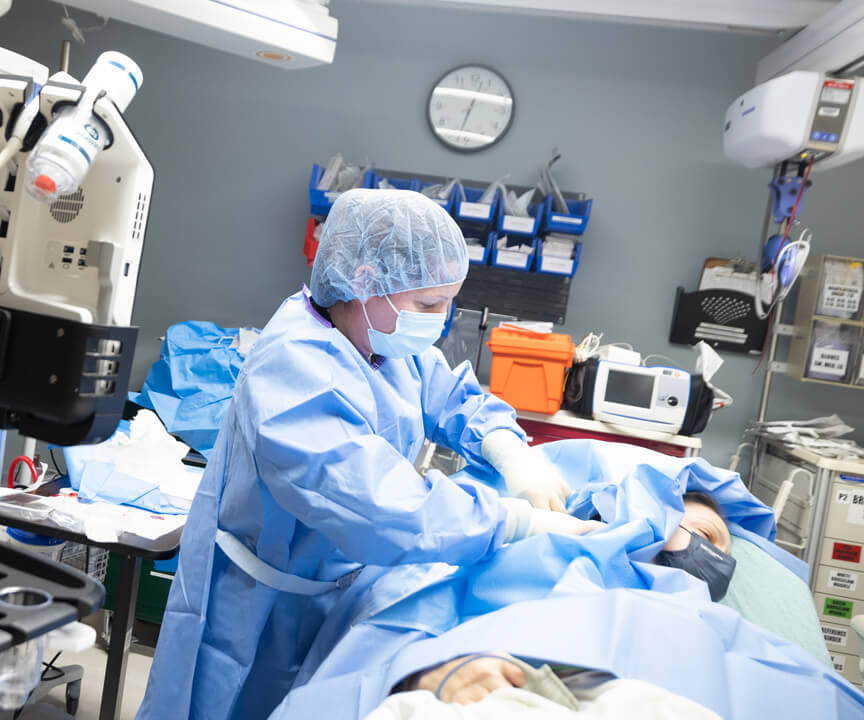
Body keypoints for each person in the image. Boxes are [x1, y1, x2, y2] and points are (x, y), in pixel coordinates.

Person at [136, 189, 603, 720]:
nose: (442, 321)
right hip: (254, 611)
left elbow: (451, 396)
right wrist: (511, 521)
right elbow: (382, 507)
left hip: (329, 587)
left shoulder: (380, 344)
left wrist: (510, 452)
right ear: (364, 282)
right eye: (428, 305)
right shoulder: (293, 372)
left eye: (448, 302)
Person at [394, 492, 736, 708]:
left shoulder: (710, 624)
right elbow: (419, 614)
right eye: (707, 536)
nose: (720, 560)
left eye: (726, 555)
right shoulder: (552, 552)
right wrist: (426, 671)